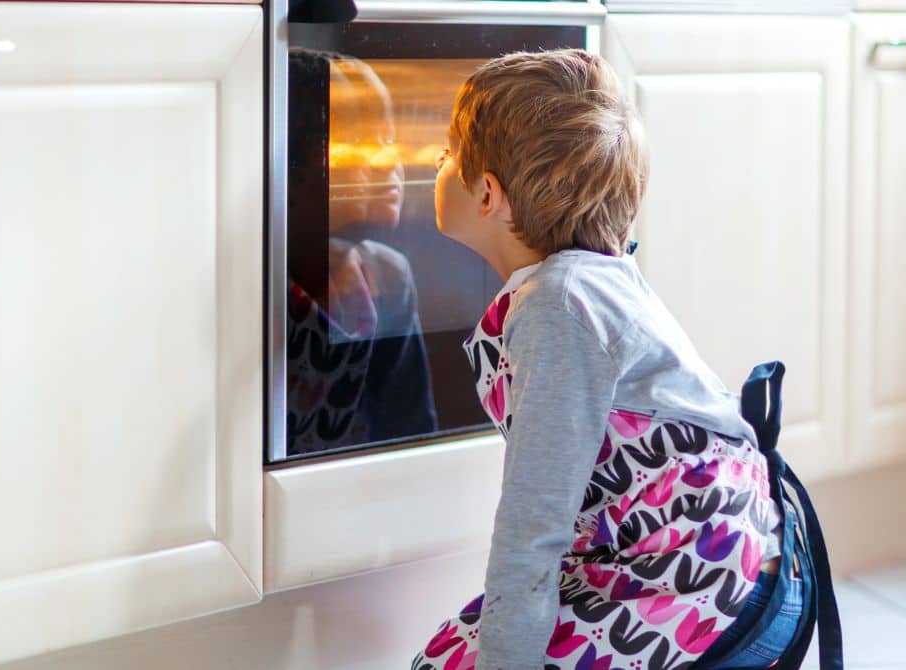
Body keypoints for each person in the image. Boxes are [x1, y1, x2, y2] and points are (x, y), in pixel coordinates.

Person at [411, 50, 833, 670]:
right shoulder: (590, 280)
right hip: (727, 563)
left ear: (489, 197)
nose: (436, 162)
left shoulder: (556, 307)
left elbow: (534, 525)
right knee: (458, 649)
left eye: (448, 152)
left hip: (703, 585)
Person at [285, 48, 437, 456]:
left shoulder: (387, 277)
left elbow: (410, 431)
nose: (391, 160)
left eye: (389, 141)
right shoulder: (255, 284)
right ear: (287, 168)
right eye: (356, 144)